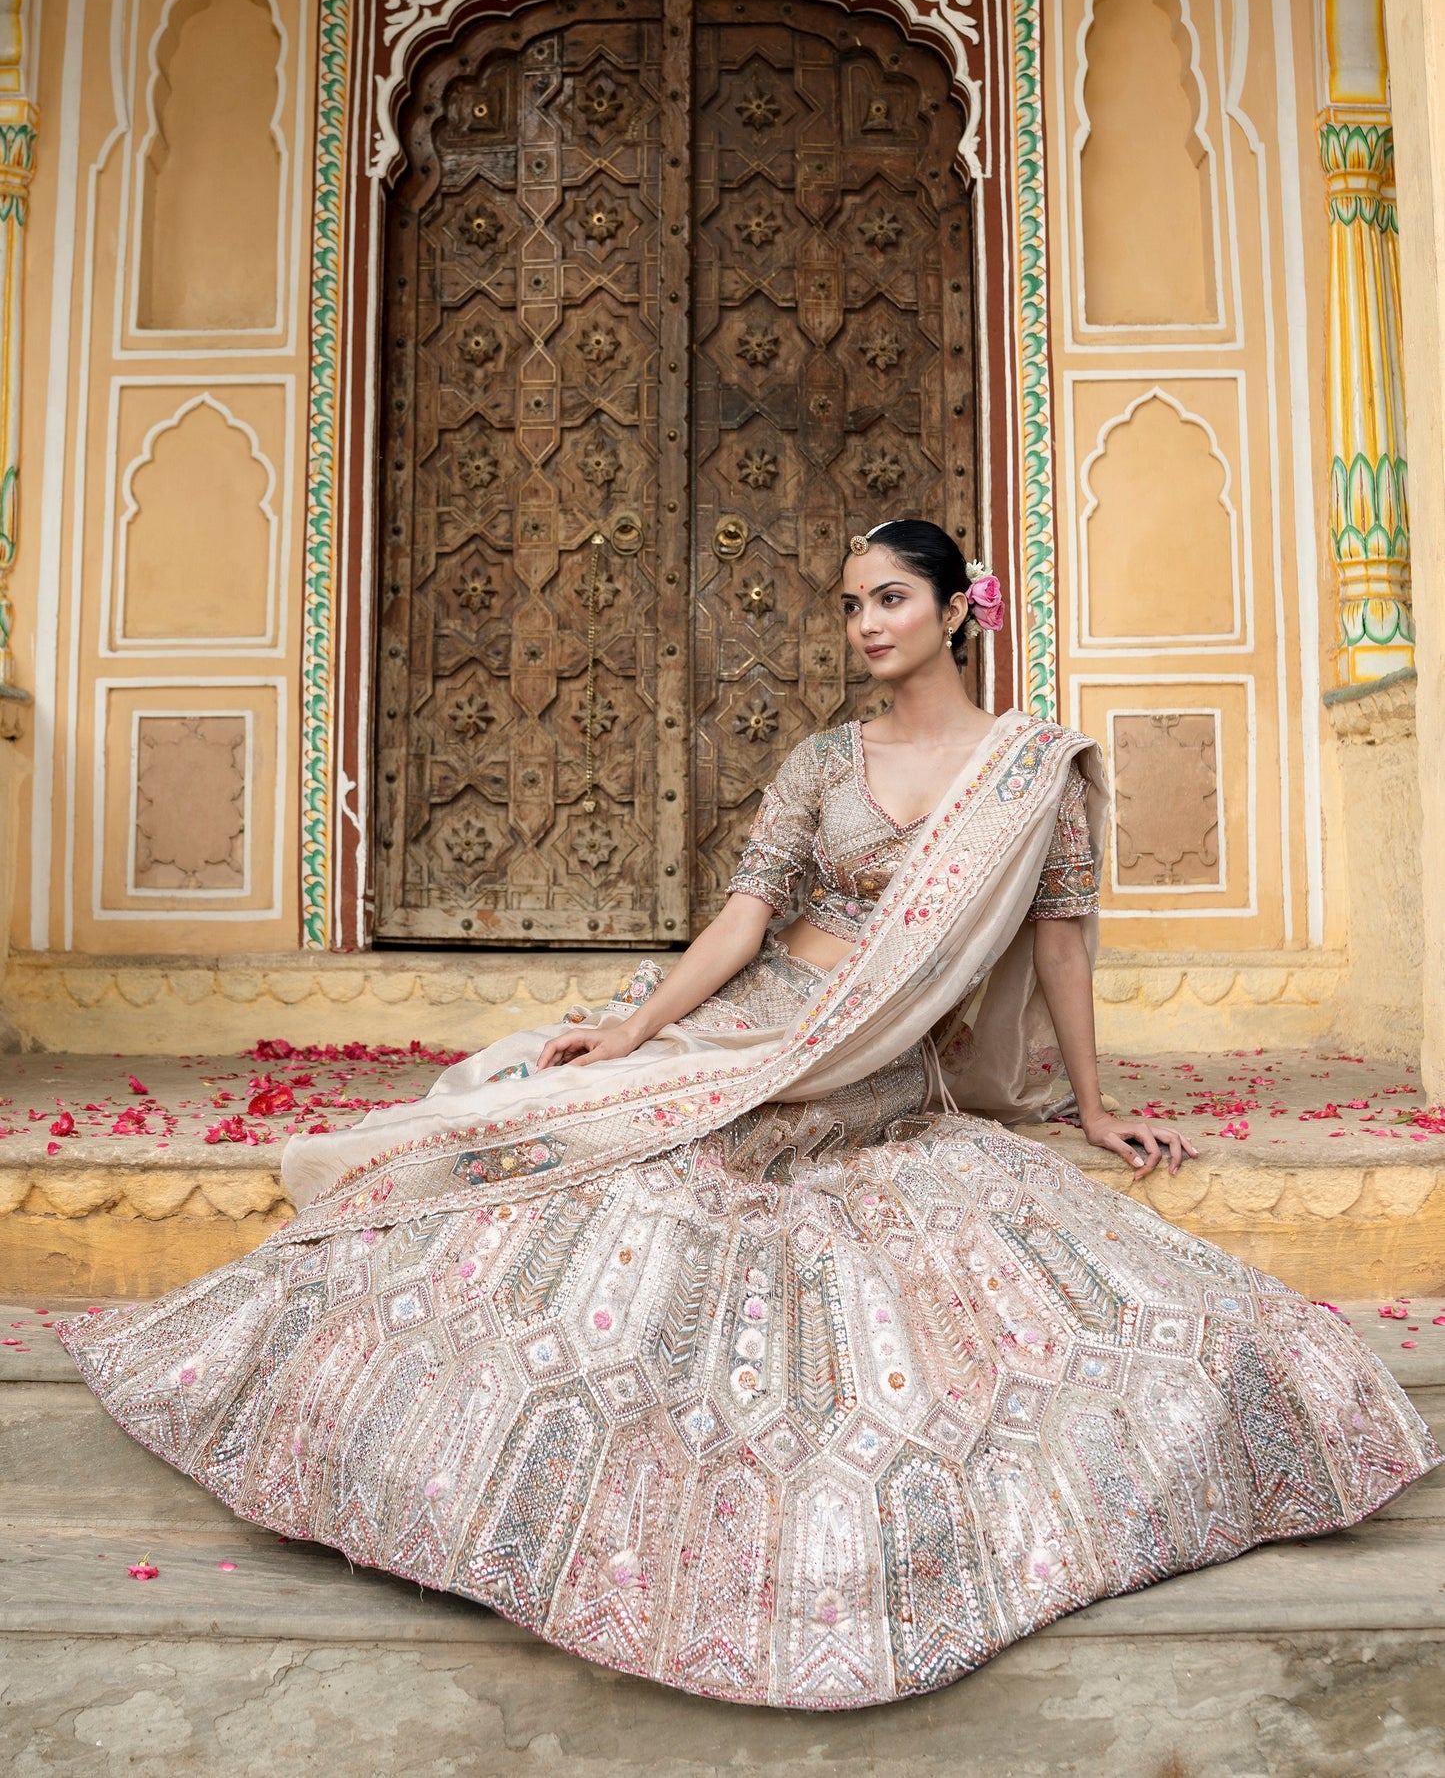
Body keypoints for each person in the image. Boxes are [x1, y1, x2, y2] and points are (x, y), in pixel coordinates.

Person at [61, 519, 1437, 1712]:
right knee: (583, 1126)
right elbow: (742, 921)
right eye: (847, 604)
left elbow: (1063, 951)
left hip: (867, 1061)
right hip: (750, 1021)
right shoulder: (818, 763)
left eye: (888, 599)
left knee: (717, 1154)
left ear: (958, 610)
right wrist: (636, 1028)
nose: (862, 626)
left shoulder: (1034, 779)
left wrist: (1090, 1105)